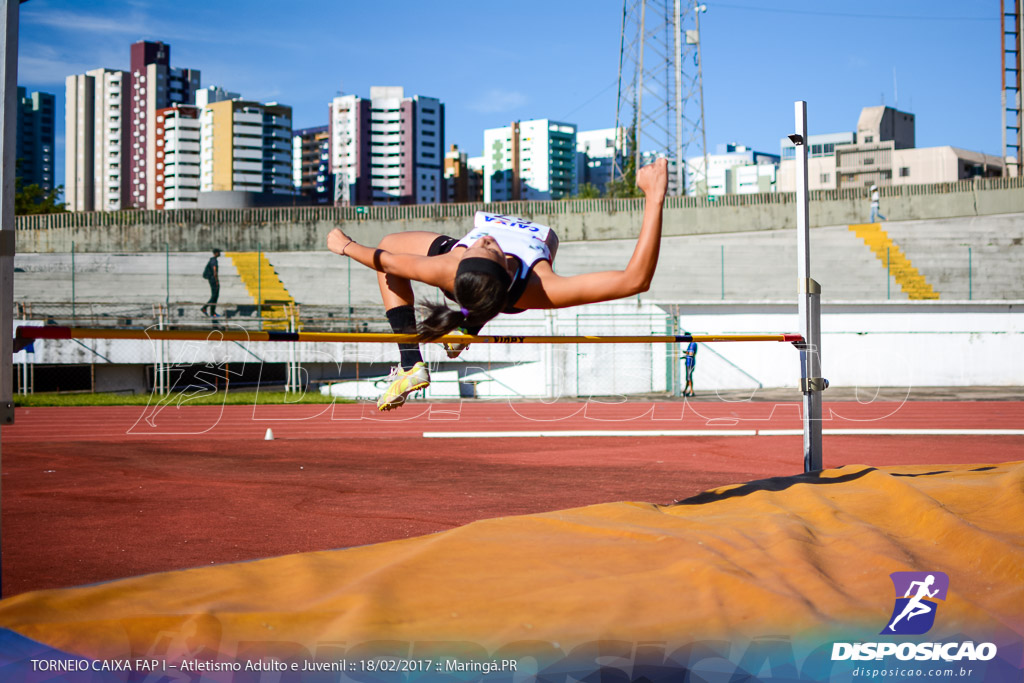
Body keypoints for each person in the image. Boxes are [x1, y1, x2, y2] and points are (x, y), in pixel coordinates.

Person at [327, 158, 669, 411]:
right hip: (485, 287)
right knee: (392, 244)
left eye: (483, 244)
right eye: (482, 245)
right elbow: (634, 280)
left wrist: (345, 245)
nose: (486, 238)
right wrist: (654, 197)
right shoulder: (496, 275)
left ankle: (433, 348)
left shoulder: (480, 272)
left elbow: (385, 258)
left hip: (478, 282)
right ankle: (415, 362)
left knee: (392, 244)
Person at [201, 248, 221, 318]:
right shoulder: (214, 260)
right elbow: (214, 271)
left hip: (212, 279)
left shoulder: (212, 260)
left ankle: (212, 312)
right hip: (213, 280)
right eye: (219, 252)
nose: (220, 253)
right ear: (216, 253)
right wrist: (216, 280)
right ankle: (205, 308)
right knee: (214, 296)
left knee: (215, 296)